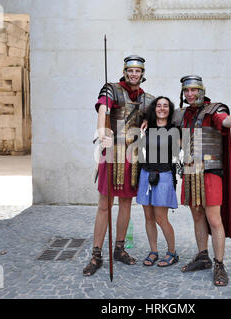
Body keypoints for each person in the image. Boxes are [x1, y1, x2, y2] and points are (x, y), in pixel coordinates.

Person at [83, 55, 155, 276]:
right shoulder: (111, 89)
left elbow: (160, 115)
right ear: (125, 71)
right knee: (104, 204)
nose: (134, 74)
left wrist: (148, 120)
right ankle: (96, 254)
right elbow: (103, 110)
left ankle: (119, 248)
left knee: (126, 204)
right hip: (112, 152)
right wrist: (102, 132)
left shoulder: (147, 99)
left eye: (138, 71)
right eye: (130, 70)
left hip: (132, 156)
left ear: (143, 74)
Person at [172, 75, 231, 286]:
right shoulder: (181, 115)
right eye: (186, 91)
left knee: (214, 219)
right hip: (189, 170)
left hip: (210, 170)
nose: (190, 94)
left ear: (201, 91)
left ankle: (219, 264)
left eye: (194, 90)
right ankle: (203, 256)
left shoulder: (214, 110)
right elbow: (172, 132)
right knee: (197, 216)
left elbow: (225, 121)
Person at [136, 96, 180, 267]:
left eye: (166, 106)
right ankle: (153, 251)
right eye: (159, 105)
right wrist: (146, 119)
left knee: (161, 218)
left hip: (164, 175)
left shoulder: (174, 129)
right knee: (148, 217)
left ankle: (172, 252)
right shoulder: (146, 128)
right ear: (154, 108)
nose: (162, 108)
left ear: (170, 109)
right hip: (146, 174)